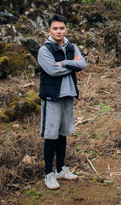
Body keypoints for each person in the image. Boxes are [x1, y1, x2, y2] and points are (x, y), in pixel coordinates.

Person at [37, 14, 87, 190]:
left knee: (62, 133)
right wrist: (71, 65)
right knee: (51, 135)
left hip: (68, 94)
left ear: (66, 29)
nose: (59, 31)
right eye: (55, 28)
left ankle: (61, 169)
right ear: (49, 30)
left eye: (62, 28)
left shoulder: (71, 46)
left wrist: (63, 63)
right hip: (52, 96)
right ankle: (48, 173)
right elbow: (51, 70)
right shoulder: (45, 49)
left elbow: (83, 64)